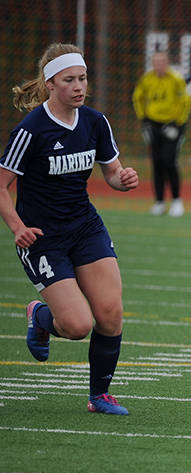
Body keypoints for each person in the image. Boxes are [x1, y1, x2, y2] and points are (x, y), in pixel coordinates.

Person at [0, 43, 139, 415]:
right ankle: (40, 315)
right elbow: (1, 185)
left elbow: (110, 171)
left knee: (110, 313)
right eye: (69, 80)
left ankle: (99, 396)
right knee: (78, 325)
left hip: (85, 227)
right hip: (43, 238)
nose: (79, 86)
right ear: (50, 84)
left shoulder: (95, 122)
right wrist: (17, 227)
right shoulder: (30, 131)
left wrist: (122, 179)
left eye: (83, 78)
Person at [132, 50, 191, 217]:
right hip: (153, 124)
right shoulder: (147, 79)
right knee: (156, 162)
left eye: (162, 62)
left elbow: (186, 102)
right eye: (156, 62)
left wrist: (178, 124)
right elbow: (137, 97)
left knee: (169, 160)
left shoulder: (176, 79)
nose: (159, 65)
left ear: (167, 63)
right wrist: (143, 119)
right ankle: (159, 201)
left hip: (172, 124)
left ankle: (177, 201)